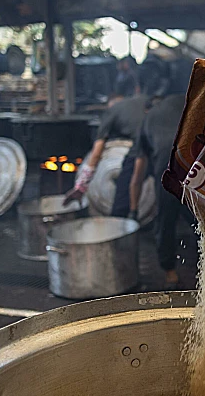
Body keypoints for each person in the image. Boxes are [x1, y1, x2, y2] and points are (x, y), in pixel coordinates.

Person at [64, 70, 165, 215]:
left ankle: (122, 228)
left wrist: (81, 186)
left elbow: (97, 153)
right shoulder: (143, 100)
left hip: (146, 147)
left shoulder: (111, 111)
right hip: (170, 147)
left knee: (121, 204)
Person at [129, 92, 188, 290]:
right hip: (200, 162)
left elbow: (137, 176)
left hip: (168, 170)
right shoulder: (180, 100)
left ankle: (170, 273)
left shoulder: (147, 121)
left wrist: (133, 211)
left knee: (165, 221)